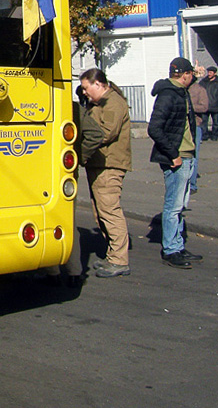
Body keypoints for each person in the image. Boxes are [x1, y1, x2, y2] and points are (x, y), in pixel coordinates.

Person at [148, 57, 202, 269]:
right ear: (184, 75)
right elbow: (154, 128)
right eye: (191, 75)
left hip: (187, 156)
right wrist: (173, 155)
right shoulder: (168, 95)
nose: (192, 78)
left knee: (181, 206)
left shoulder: (180, 91)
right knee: (173, 206)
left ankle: (178, 245)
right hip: (177, 158)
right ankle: (171, 249)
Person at [78, 69, 132, 278]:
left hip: (109, 165)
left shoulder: (113, 103)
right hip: (100, 164)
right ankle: (113, 255)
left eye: (86, 88)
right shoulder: (100, 104)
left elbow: (105, 134)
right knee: (101, 212)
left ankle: (119, 260)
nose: (84, 93)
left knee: (110, 211)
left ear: (99, 84)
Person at [187, 66, 209, 197]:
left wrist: (189, 107)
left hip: (195, 125)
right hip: (184, 125)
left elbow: (204, 107)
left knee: (194, 155)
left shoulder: (200, 90)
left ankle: (193, 183)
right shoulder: (183, 89)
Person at [199, 66, 218, 140]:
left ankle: (214, 135)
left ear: (215, 73)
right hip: (205, 105)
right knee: (204, 122)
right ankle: (204, 135)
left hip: (215, 105)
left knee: (215, 122)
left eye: (211, 72)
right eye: (208, 72)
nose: (209, 74)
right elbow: (199, 90)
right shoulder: (204, 81)